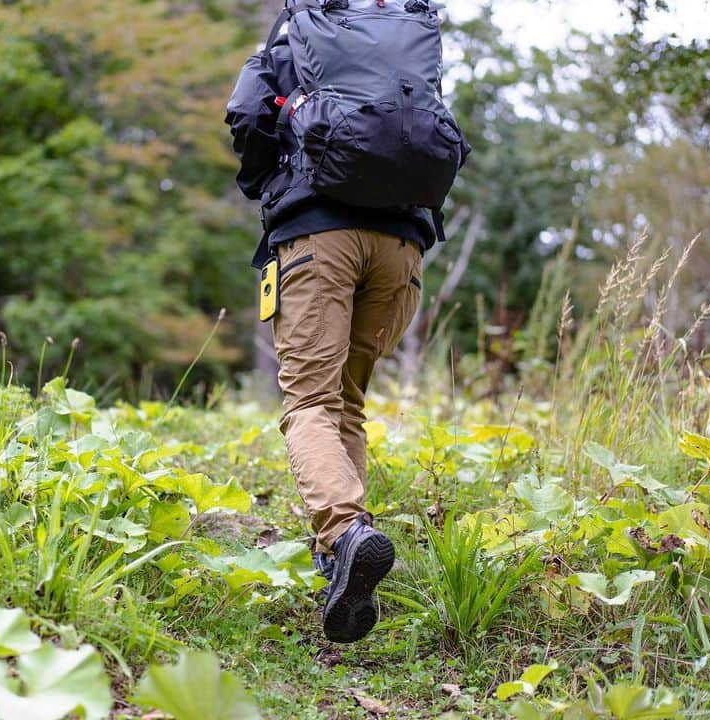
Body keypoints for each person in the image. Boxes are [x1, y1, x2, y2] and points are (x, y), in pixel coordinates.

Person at [225, 0, 469, 643]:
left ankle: (343, 533)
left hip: (316, 236)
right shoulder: (406, 38)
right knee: (347, 402)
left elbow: (249, 114)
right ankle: (340, 558)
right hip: (402, 248)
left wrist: (266, 185)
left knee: (307, 402)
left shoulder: (297, 34)